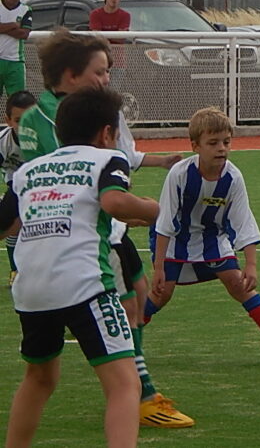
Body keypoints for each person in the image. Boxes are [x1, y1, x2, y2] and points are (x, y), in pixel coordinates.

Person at [15, 29, 194, 428]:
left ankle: (142, 392)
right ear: (71, 75)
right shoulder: (49, 117)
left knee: (138, 297)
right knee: (121, 341)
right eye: (99, 71)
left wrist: (155, 165)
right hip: (85, 243)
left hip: (93, 234)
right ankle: (144, 396)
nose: (106, 79)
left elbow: (121, 157)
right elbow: (72, 176)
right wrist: (151, 211)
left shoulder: (95, 110)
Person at [5, 86, 160, 448]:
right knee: (124, 383)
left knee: (39, 378)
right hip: (84, 283)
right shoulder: (106, 159)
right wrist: (154, 210)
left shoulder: (29, 170)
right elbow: (115, 201)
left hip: (32, 290)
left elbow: (7, 224)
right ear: (107, 133)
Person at [143, 107, 260, 367]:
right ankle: (125, 344)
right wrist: (158, 267)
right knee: (161, 294)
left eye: (226, 142)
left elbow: (243, 221)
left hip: (213, 239)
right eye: (213, 143)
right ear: (195, 146)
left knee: (238, 284)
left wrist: (250, 264)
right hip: (176, 241)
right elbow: (165, 222)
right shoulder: (179, 175)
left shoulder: (233, 178)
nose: (221, 149)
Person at [1, 90, 35, 286]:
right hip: (15, 184)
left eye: (29, 119)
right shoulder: (3, 142)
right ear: (9, 120)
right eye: (19, 120)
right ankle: (16, 270)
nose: (24, 126)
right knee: (11, 225)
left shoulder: (47, 139)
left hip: (42, 185)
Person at [0, 0, 32, 97]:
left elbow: (24, 34)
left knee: (17, 101)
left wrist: (2, 27)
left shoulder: (26, 10)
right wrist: (13, 25)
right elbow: (19, 30)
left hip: (15, 61)